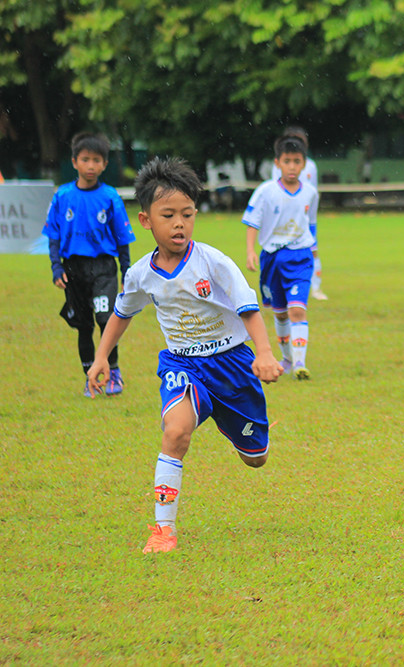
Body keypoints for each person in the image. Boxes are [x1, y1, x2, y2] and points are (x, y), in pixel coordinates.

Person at [86, 157, 283, 554]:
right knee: (175, 433)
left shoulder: (213, 262)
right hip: (182, 365)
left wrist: (263, 352)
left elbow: (248, 309)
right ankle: (163, 532)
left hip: (232, 365)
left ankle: (232, 422)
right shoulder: (141, 273)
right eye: (169, 215)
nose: (180, 223)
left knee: (257, 458)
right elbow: (122, 314)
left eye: (188, 214)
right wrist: (101, 357)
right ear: (146, 220)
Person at [44, 132, 136, 396]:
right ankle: (90, 376)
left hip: (103, 268)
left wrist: (126, 271)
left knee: (106, 320)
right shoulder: (62, 196)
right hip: (73, 269)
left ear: (105, 164)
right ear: (74, 162)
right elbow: (53, 235)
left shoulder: (110, 197)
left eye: (97, 160)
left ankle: (114, 372)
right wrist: (56, 267)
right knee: (83, 326)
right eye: (85, 160)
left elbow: (122, 238)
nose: (91, 166)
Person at [245, 134, 319, 380]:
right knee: (280, 313)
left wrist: (315, 251)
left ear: (304, 164)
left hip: (300, 257)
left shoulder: (310, 193)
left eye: (297, 161)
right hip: (272, 258)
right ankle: (287, 358)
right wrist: (250, 250)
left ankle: (300, 364)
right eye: (287, 161)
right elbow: (252, 222)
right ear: (277, 163)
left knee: (297, 309)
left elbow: (311, 225)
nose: (292, 167)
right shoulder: (265, 192)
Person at [269, 126, 327, 300]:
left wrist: (312, 218)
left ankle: (316, 287)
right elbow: (275, 189)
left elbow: (314, 191)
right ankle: (282, 286)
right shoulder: (280, 163)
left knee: (313, 250)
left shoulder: (310, 166)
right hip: (285, 218)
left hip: (306, 217)